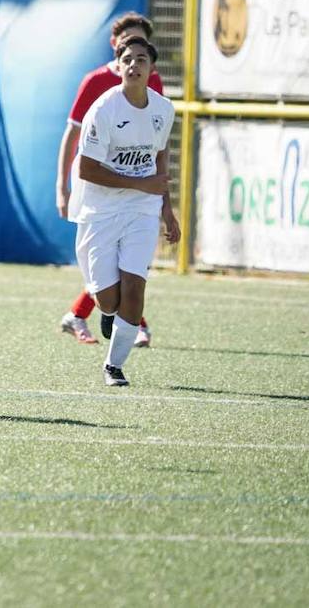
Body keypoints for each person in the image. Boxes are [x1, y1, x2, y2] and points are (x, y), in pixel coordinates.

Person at [69, 37, 178, 387]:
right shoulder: (103, 110)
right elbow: (86, 169)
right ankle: (108, 312)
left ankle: (113, 366)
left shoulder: (164, 109)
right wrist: (139, 184)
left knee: (135, 287)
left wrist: (167, 210)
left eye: (141, 59)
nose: (133, 65)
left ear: (151, 68)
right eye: (127, 59)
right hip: (99, 208)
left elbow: (159, 158)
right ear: (118, 66)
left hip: (141, 209)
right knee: (108, 297)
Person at [56, 12, 164, 347]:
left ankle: (97, 316)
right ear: (114, 45)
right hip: (96, 184)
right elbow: (71, 135)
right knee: (103, 257)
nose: (133, 52)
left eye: (140, 44)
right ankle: (113, 318)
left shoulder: (152, 82)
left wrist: (162, 196)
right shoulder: (95, 82)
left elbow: (158, 141)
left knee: (128, 258)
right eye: (125, 42)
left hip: (135, 183)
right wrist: (62, 187)